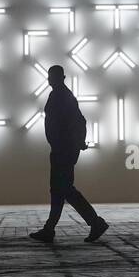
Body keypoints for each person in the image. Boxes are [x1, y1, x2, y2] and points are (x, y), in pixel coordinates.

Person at [29, 65, 109, 244]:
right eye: (49, 76)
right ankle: (50, 229)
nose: (50, 79)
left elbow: (78, 121)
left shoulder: (63, 96)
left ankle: (96, 222)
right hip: (61, 149)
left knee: (64, 189)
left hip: (62, 151)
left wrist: (75, 143)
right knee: (58, 190)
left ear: (61, 77)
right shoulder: (61, 95)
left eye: (53, 76)